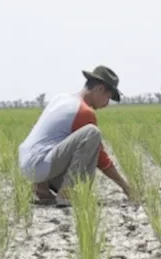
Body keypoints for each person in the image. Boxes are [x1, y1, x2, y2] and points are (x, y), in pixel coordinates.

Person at [18, 65, 135, 205]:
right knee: (92, 133)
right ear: (100, 89)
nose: (106, 104)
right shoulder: (84, 111)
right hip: (41, 165)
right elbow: (101, 157)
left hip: (28, 165)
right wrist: (125, 186)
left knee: (58, 141)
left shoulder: (60, 99)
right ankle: (67, 194)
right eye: (108, 98)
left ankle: (41, 187)